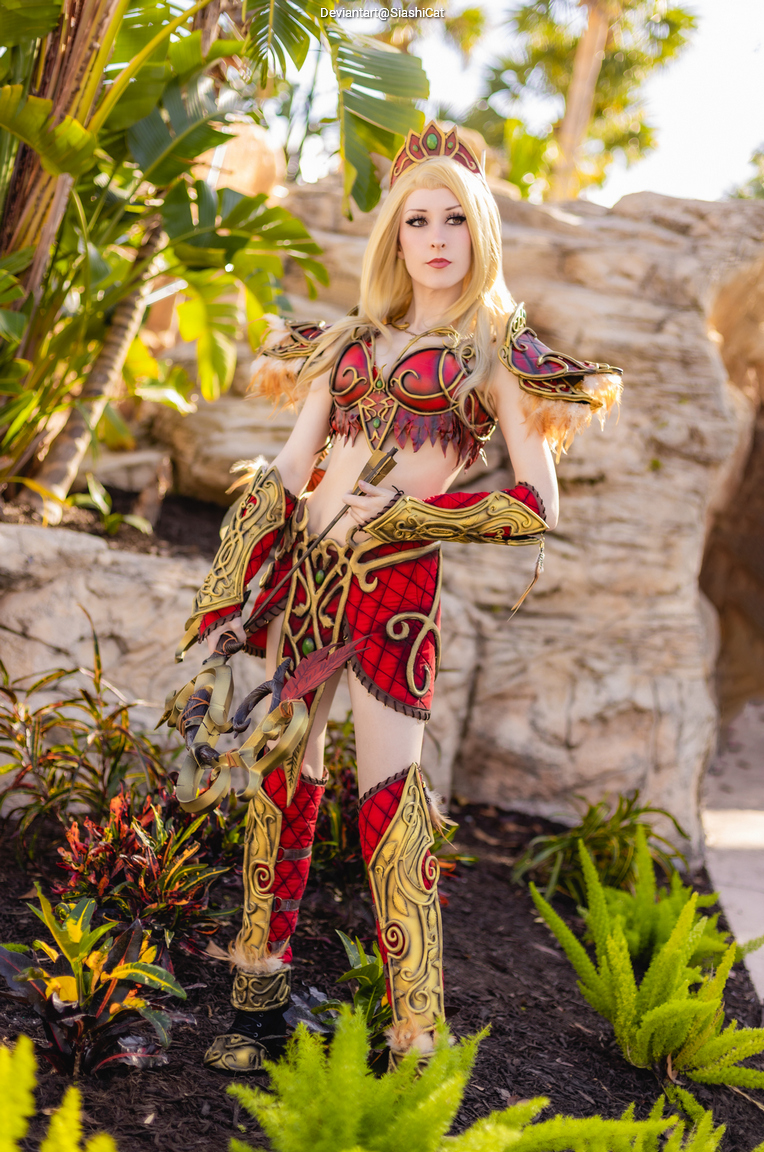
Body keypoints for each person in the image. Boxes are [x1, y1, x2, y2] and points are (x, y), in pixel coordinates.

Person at [177, 122, 621, 1073]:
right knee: (280, 783)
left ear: (480, 229)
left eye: (453, 218)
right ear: (394, 232)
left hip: (396, 594)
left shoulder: (499, 345)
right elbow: (295, 463)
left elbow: (537, 503)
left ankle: (416, 1036)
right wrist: (237, 566)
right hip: (305, 584)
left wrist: (416, 518)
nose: (433, 237)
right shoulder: (350, 339)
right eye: (415, 218)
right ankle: (255, 999)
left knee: (391, 802)